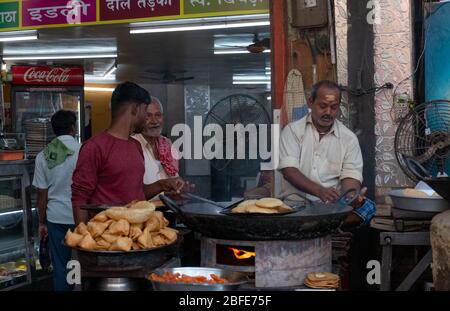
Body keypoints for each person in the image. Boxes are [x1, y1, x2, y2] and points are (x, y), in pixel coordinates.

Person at [71, 82, 183, 224]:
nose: (147, 119)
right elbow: (79, 197)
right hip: (109, 239)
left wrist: (162, 185)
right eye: (145, 112)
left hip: (136, 235)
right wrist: (83, 237)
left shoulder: (136, 145)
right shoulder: (94, 147)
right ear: (135, 109)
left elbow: (136, 193)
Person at [278, 80, 375, 226]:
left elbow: (351, 175)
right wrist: (319, 191)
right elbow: (289, 171)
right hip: (296, 204)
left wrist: (351, 196)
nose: (328, 112)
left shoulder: (348, 138)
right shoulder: (292, 131)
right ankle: (323, 225)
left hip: (331, 206)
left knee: (369, 207)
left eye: (333, 107)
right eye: (323, 106)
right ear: (310, 103)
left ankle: (324, 225)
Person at [32, 110, 81, 291]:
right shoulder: (85, 151)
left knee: (62, 267)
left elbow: (42, 195)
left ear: (53, 130)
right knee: (87, 264)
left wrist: (42, 221)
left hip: (56, 219)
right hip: (81, 217)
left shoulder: (43, 156)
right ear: (73, 128)